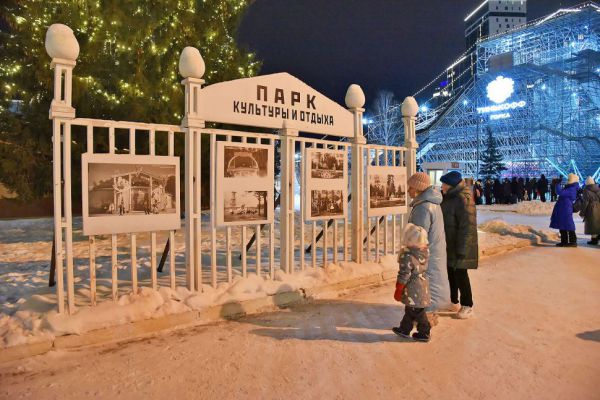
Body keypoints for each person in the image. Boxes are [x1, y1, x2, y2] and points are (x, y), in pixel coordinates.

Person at [406, 172, 450, 325]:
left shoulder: (423, 208)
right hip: (434, 252)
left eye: (410, 187)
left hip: (427, 255)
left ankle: (426, 318)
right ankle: (428, 313)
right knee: (431, 283)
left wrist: (411, 257)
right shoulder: (432, 203)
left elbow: (418, 238)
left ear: (418, 188)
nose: (408, 190)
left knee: (424, 284)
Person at [440, 171, 478, 319]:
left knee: (461, 274)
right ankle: (453, 301)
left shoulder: (463, 199)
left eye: (443, 184)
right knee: (451, 273)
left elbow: (467, 226)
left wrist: (463, 248)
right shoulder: (449, 197)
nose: (441, 186)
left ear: (450, 185)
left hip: (460, 244)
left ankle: (467, 305)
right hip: (450, 242)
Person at [393, 223, 432, 342]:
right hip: (423, 285)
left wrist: (399, 289)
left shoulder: (407, 255)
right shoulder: (424, 252)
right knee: (411, 310)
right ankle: (404, 329)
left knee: (418, 312)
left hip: (413, 289)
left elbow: (404, 274)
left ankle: (425, 332)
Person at [550, 173, 579, 247]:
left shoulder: (572, 188)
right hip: (563, 208)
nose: (568, 180)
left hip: (566, 208)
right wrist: (557, 184)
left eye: (570, 179)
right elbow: (559, 192)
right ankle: (564, 241)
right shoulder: (569, 187)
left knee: (568, 225)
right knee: (563, 225)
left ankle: (573, 242)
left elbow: (560, 192)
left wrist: (557, 184)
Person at [574, 176, 600, 245]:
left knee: (592, 224)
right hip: (599, 208)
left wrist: (582, 213)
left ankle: (594, 240)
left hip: (591, 209)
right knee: (597, 224)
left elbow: (585, 203)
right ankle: (597, 237)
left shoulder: (586, 190)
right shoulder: (598, 189)